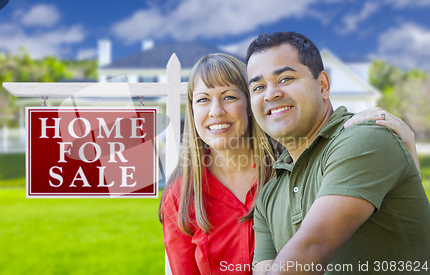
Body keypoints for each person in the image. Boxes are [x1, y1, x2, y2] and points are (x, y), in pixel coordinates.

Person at [159, 53, 419, 275]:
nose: (216, 110)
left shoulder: (290, 167)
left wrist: (406, 145)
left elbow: (393, 220)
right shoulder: (181, 196)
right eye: (203, 99)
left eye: (229, 97)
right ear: (192, 111)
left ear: (250, 105)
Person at [246, 32, 430, 274]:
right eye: (258, 87)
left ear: (323, 85)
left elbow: (313, 247)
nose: (271, 94)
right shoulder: (268, 195)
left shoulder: (364, 137)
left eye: (285, 78)